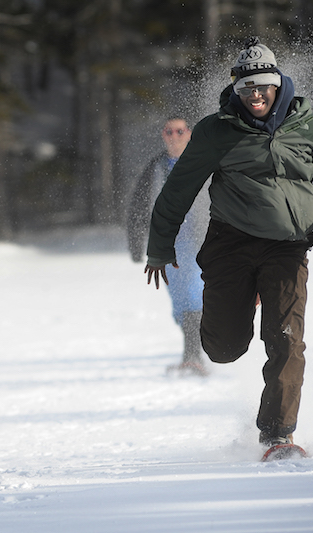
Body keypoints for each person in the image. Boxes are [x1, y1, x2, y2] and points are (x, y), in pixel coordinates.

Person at [144, 37, 313, 448]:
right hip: (231, 244)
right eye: (246, 88)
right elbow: (178, 189)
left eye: (262, 85)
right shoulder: (216, 130)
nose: (255, 94)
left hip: (288, 247)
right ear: (236, 90)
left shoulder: (307, 125)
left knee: (287, 339)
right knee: (224, 348)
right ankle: (242, 296)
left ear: (277, 84)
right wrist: (160, 246)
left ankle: (278, 435)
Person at [127, 117, 208, 376]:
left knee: (195, 293)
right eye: (169, 131)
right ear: (163, 135)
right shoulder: (156, 167)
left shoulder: (204, 162)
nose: (174, 136)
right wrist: (136, 242)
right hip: (168, 245)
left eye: (180, 131)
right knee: (180, 303)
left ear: (189, 134)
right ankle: (194, 348)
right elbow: (139, 205)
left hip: (201, 242)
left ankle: (193, 356)